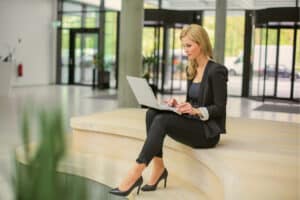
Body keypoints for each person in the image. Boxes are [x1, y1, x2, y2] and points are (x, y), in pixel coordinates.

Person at [109, 24, 228, 196]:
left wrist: (196, 111)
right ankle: (158, 168)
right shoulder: (194, 68)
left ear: (201, 44)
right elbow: (194, 101)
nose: (185, 50)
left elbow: (220, 108)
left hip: (206, 132)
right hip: (194, 122)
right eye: (183, 46)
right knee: (152, 113)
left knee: (162, 120)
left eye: (189, 45)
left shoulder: (216, 71)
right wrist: (177, 104)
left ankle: (135, 172)